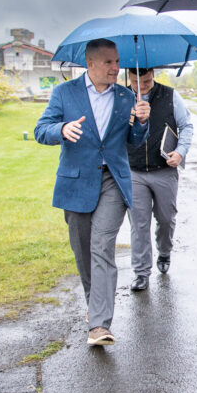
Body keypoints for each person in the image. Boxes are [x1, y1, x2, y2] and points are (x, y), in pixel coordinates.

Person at [35, 39, 149, 347]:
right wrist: (61, 130)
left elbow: (134, 141)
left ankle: (99, 324)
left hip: (113, 179)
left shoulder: (126, 96)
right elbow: (40, 130)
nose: (116, 68)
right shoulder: (64, 93)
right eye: (110, 62)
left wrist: (141, 123)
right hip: (76, 183)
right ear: (91, 64)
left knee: (102, 246)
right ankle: (93, 304)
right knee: (83, 251)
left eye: (118, 62)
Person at [125, 67, 193, 290]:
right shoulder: (122, 98)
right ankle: (141, 272)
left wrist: (180, 151)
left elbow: (186, 126)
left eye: (146, 82)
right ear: (128, 78)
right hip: (134, 171)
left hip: (164, 169)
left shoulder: (170, 95)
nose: (141, 87)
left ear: (153, 75)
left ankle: (164, 252)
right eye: (136, 82)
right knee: (139, 224)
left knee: (166, 218)